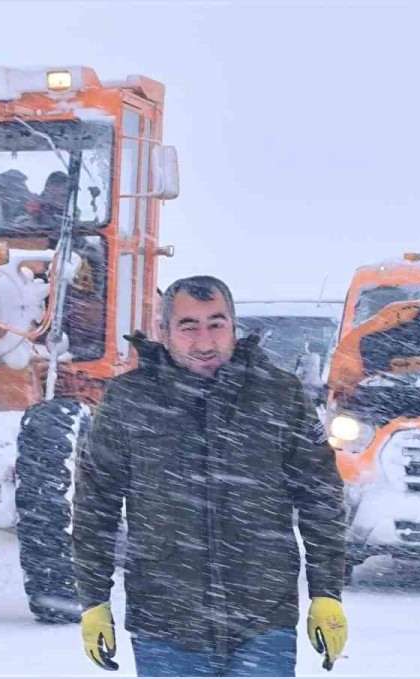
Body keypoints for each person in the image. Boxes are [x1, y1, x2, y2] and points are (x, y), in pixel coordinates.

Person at [72, 275, 349, 677]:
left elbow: (320, 498)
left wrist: (326, 593)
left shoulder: (279, 395)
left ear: (233, 327)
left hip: (262, 622)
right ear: (164, 333)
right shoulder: (129, 400)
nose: (205, 342)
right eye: (189, 326)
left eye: (216, 324)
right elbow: (96, 505)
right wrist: (94, 601)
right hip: (165, 626)